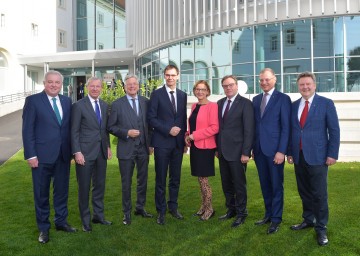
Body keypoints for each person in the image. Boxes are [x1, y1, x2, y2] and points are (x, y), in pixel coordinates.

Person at [22, 70, 76, 244]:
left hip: (62, 156)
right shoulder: (33, 101)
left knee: (61, 192)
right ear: (44, 83)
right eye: (50, 82)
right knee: (41, 194)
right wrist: (30, 155)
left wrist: (73, 151)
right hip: (41, 156)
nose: (54, 85)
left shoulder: (67, 101)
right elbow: (27, 130)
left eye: (57, 82)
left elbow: (69, 130)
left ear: (62, 84)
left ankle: (61, 222)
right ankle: (44, 228)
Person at [287, 71, 340, 246]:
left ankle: (321, 228)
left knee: (319, 195)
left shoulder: (325, 103)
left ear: (314, 85)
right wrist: (290, 152)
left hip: (318, 157)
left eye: (308, 84)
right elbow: (292, 131)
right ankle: (308, 220)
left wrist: (332, 154)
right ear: (298, 86)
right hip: (299, 157)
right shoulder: (294, 106)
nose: (305, 87)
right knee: (304, 192)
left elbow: (334, 131)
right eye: (302, 84)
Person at [108, 74, 153, 225]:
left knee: (143, 181)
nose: (132, 86)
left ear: (138, 86)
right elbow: (111, 127)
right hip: (126, 149)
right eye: (129, 84)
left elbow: (150, 125)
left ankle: (140, 207)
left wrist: (150, 144)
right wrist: (126, 133)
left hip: (143, 149)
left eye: (134, 84)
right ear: (125, 87)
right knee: (126, 183)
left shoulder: (146, 102)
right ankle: (126, 213)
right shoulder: (116, 104)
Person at [252, 68, 291, 234]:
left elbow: (286, 127)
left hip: (275, 151)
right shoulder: (255, 99)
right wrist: (253, 148)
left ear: (274, 79)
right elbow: (255, 126)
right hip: (259, 150)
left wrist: (281, 151)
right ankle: (268, 214)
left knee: (276, 185)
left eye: (267, 79)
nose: (264, 83)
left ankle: (276, 219)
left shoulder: (283, 99)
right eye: (261, 80)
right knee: (265, 184)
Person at [71, 77, 112, 232]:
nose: (95, 89)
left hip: (101, 152)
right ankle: (85, 220)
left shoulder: (103, 105)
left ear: (102, 88)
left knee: (99, 186)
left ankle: (98, 216)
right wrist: (77, 152)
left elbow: (104, 130)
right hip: (84, 154)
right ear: (87, 87)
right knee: (84, 187)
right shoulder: (79, 106)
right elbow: (74, 131)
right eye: (92, 86)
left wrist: (107, 146)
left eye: (98, 86)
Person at [148, 64, 187, 225]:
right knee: (161, 178)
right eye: (167, 75)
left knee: (175, 178)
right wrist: (168, 129)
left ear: (178, 76)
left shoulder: (183, 95)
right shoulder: (156, 94)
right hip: (162, 142)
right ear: (164, 76)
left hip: (178, 144)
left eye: (173, 75)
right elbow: (151, 118)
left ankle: (173, 207)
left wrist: (183, 139)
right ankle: (161, 210)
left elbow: (182, 118)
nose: (170, 78)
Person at [216, 75, 255, 228]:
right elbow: (219, 129)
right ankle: (230, 210)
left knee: (239, 184)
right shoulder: (219, 103)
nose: (228, 88)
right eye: (225, 86)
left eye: (231, 85)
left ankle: (241, 213)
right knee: (226, 184)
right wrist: (217, 149)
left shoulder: (246, 104)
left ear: (237, 86)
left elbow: (249, 129)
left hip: (238, 152)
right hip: (223, 152)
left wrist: (246, 152)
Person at [185, 80, 219, 221]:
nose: (200, 92)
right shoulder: (194, 106)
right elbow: (192, 125)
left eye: (203, 89)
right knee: (200, 179)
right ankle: (204, 206)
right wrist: (187, 135)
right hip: (195, 147)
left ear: (208, 91)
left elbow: (214, 128)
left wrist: (194, 136)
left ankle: (210, 209)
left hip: (206, 147)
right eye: (197, 89)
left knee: (204, 180)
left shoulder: (213, 106)